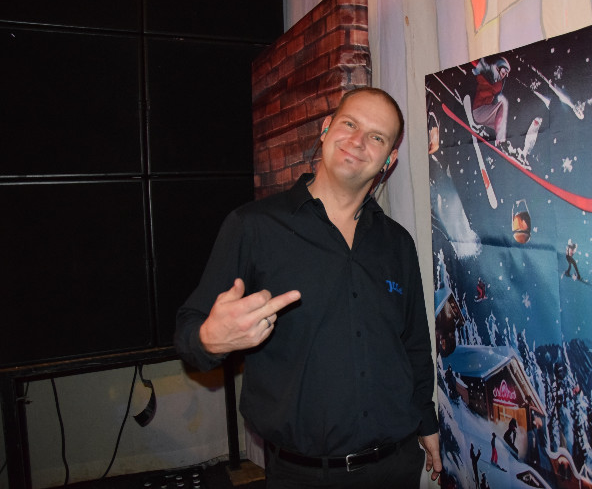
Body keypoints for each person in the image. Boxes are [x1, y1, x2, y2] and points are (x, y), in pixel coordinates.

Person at [174, 87, 442, 488]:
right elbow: (188, 329)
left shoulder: (397, 243)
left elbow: (414, 344)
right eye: (349, 124)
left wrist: (426, 422)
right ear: (325, 128)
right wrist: (210, 339)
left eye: (376, 136)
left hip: (396, 466)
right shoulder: (253, 227)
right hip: (304, 475)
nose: (358, 141)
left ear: (389, 160)